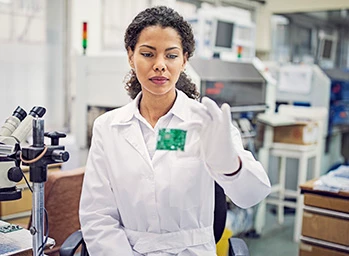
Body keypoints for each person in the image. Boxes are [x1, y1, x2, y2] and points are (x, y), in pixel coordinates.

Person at [79, 5, 271, 256]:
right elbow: (97, 216)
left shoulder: (206, 122)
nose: (160, 65)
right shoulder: (108, 127)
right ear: (130, 56)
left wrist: (230, 166)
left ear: (184, 59)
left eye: (170, 55)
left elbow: (253, 195)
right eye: (148, 54)